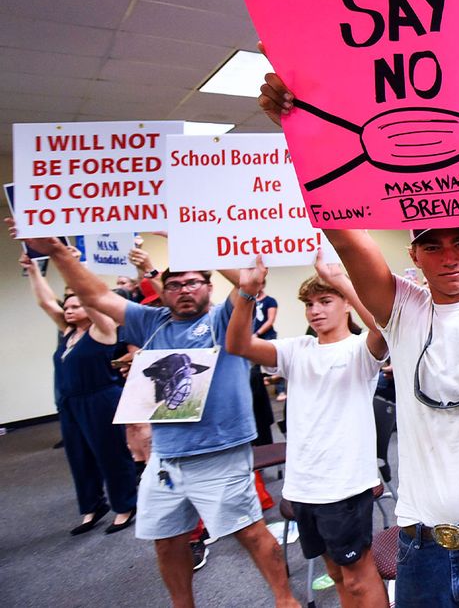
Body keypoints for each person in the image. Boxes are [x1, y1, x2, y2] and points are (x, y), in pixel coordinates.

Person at [258, 48, 459, 606]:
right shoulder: (402, 310)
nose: (449, 255)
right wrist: (297, 127)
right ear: (415, 254)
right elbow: (340, 228)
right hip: (423, 546)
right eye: (433, 244)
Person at [10, 224, 300, 608]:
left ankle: (285, 600)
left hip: (219, 451)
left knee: (248, 532)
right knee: (167, 540)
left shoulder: (222, 320)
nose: (184, 290)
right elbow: (94, 294)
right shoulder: (151, 323)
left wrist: (184, 236)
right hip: (166, 456)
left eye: (193, 282)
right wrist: (58, 251)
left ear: (208, 287)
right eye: (175, 284)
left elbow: (250, 282)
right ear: (163, 291)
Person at [226, 252, 389, 608]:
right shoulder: (296, 349)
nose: (316, 310)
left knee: (358, 578)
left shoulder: (360, 350)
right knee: (334, 573)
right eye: (309, 304)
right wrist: (247, 292)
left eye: (326, 301)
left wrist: (342, 280)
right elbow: (237, 345)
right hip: (303, 484)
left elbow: (384, 327)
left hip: (345, 484)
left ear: (345, 305)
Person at [19, 252, 139, 535]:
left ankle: (125, 505)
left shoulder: (103, 329)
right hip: (70, 402)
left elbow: (91, 297)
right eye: (67, 306)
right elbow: (46, 302)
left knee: (110, 453)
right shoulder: (67, 333)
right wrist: (33, 269)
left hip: (100, 398)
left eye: (75, 305)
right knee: (79, 456)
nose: (69, 310)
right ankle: (92, 506)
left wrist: (73, 266)